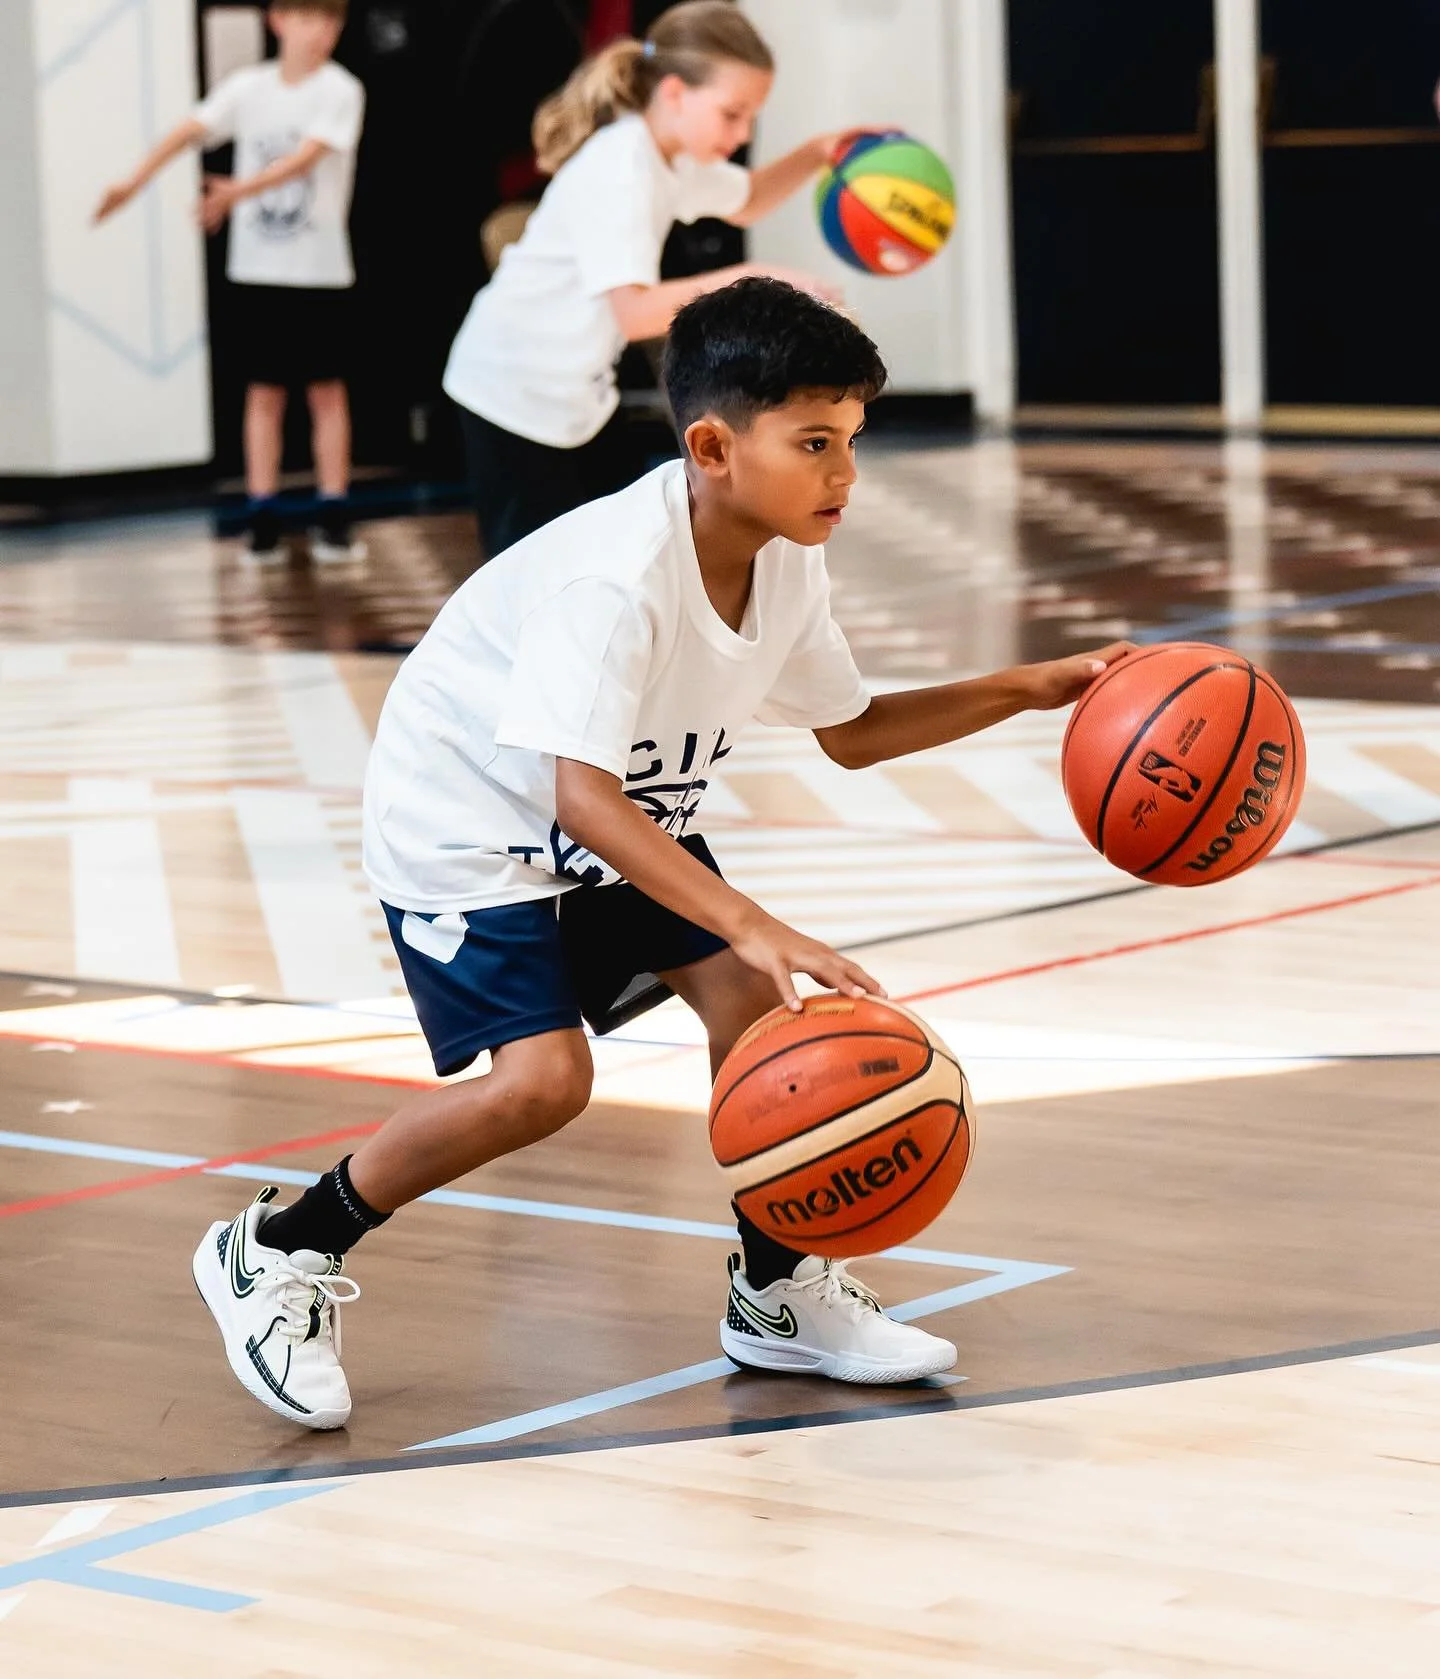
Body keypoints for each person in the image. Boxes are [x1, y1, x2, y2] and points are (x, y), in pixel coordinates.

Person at [192, 277, 1133, 1430]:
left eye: (854, 441)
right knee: (543, 1083)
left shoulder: (787, 553)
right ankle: (276, 1247)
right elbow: (577, 798)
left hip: (611, 801)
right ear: (712, 445)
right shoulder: (613, 579)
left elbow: (851, 733)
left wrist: (1029, 689)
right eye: (817, 442)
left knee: (760, 1002)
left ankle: (776, 1293)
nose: (847, 472)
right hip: (470, 818)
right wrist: (752, 914)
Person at [443, 0, 855, 560]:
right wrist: (754, 277)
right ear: (675, 93)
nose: (742, 133)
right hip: (509, 391)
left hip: (574, 397)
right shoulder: (622, 167)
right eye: (732, 114)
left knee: (620, 555)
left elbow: (749, 199)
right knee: (534, 577)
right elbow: (634, 312)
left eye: (751, 116)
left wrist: (820, 153)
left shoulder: (670, 157)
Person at [95, 0, 366, 563]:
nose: (324, 32)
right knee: (263, 393)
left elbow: (305, 160)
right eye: (312, 17)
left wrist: (233, 194)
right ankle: (261, 510)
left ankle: (333, 510)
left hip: (319, 272)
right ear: (280, 21)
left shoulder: (340, 90)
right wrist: (132, 182)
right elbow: (189, 131)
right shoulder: (250, 88)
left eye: (333, 22)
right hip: (258, 270)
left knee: (326, 393)